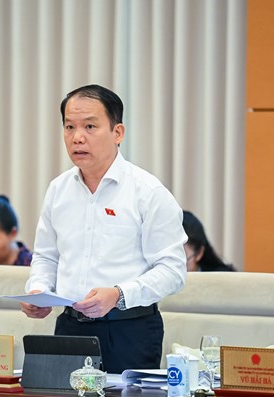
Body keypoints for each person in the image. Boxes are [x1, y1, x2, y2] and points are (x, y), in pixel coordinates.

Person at [21, 84, 187, 374]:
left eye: (90, 126)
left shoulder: (147, 192)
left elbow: (173, 271)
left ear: (118, 132)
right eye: (69, 127)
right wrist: (39, 290)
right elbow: (46, 256)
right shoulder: (58, 190)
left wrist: (119, 294)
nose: (77, 137)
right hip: (70, 327)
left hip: (129, 330)